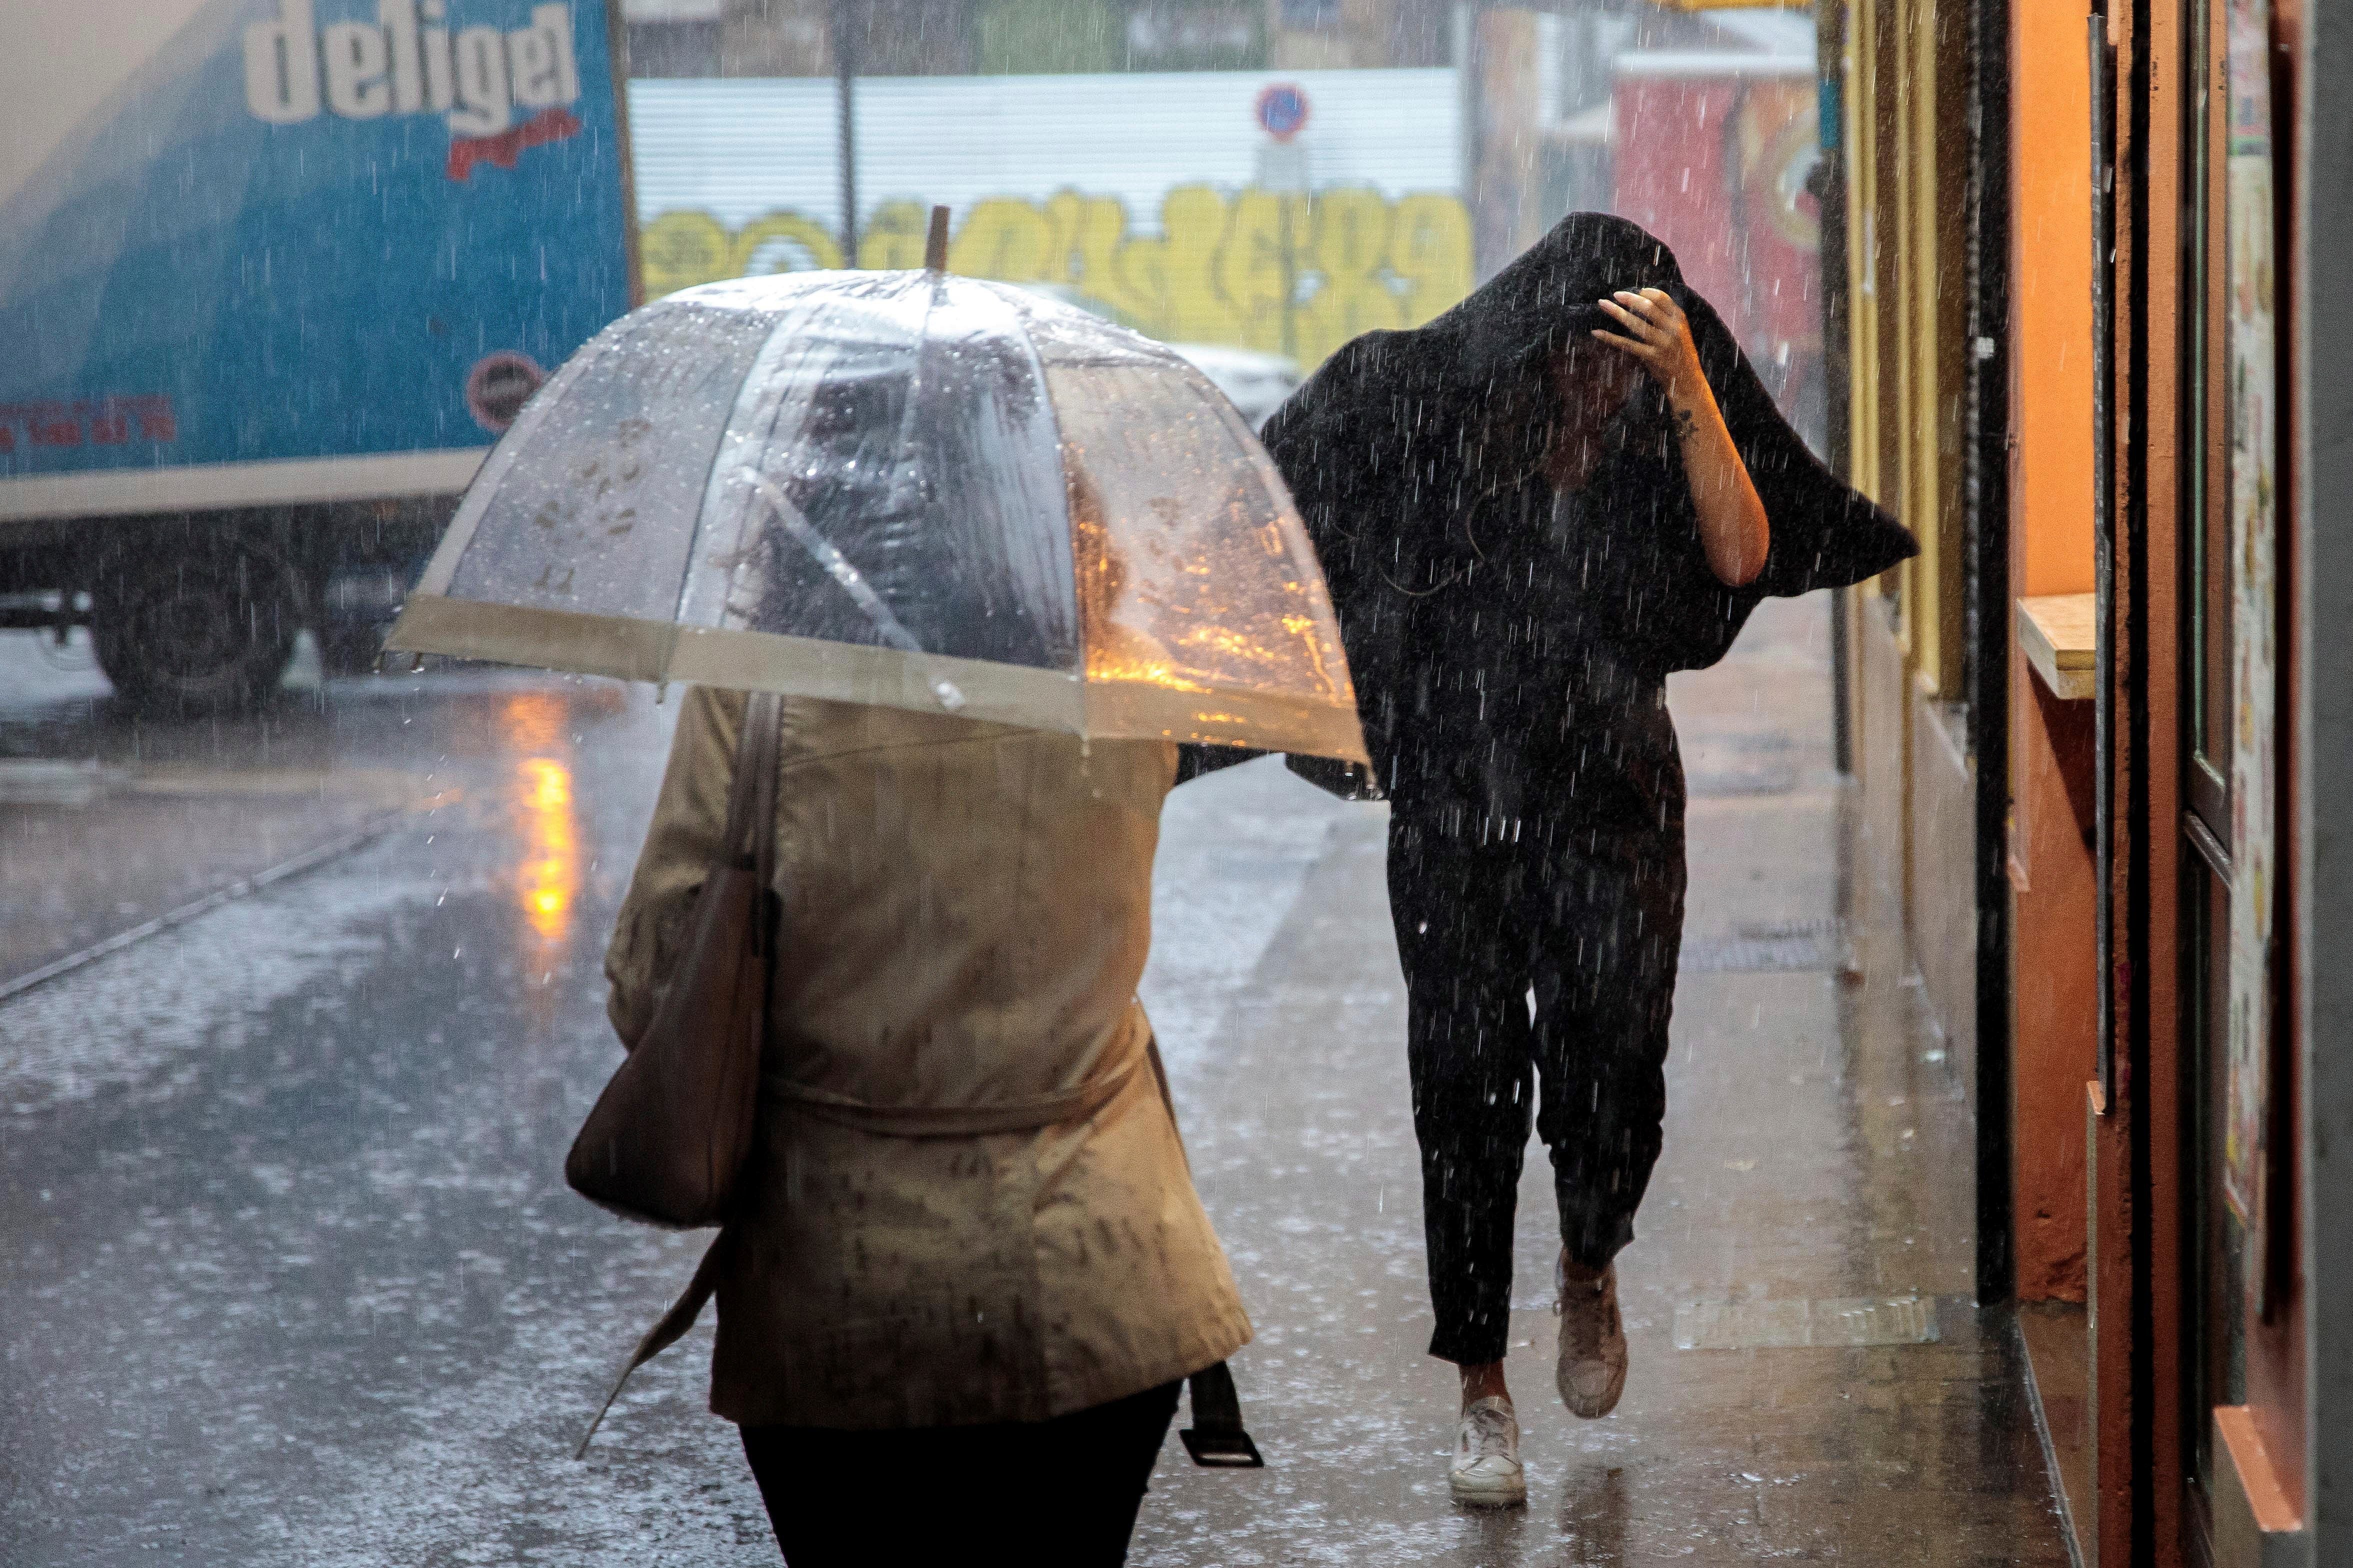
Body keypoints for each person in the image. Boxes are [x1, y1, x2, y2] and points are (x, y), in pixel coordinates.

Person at [1261, 212, 1915, 1506]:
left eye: (1624, 358)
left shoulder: (1649, 438)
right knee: (1463, 1094)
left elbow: (1743, 554)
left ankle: (1589, 1254)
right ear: (1527, 349)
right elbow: (1303, 527)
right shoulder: (1437, 429)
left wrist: (1684, 386)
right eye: (1584, 356)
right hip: (1452, 811)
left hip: (1610, 806)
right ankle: (1480, 1392)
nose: (1593, 384)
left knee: (1613, 1061)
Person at [603, 682, 1252, 1564]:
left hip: (837, 1280)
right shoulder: (1125, 670)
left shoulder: (760, 689)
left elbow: (657, 991)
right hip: (1099, 1264)